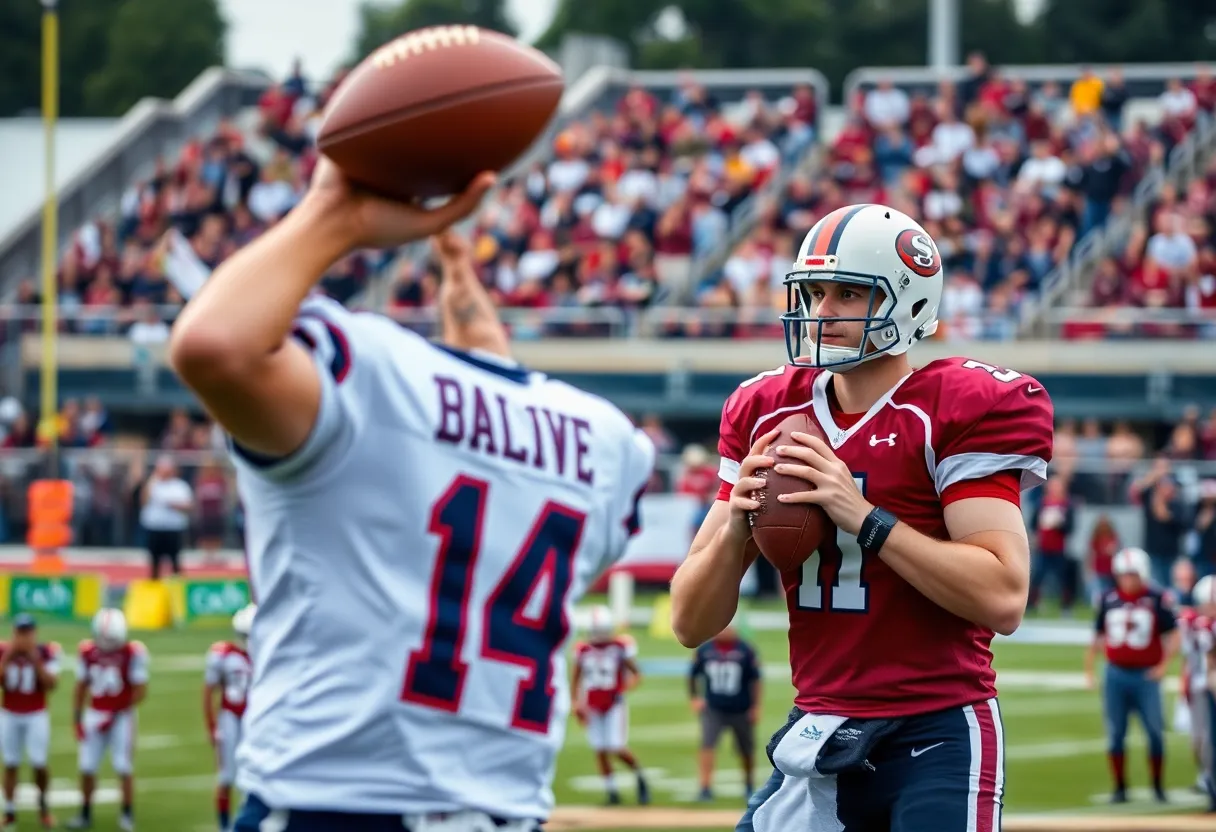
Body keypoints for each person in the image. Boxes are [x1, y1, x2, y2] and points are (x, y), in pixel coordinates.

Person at [168, 158, 656, 832]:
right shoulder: (599, 436)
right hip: (505, 813)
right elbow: (490, 399)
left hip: (337, 803)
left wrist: (337, 213)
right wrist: (458, 267)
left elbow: (215, 345)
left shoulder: (370, 370)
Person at [669, 204, 1054, 832]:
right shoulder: (766, 412)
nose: (821, 311)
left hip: (935, 730)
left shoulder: (954, 408)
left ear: (905, 302)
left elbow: (1003, 595)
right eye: (814, 292)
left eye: (847, 293)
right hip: (819, 724)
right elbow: (689, 621)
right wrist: (736, 526)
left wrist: (865, 517)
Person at [1083, 547, 1179, 804]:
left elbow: (1174, 633)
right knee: (1115, 734)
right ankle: (1120, 787)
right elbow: (1098, 633)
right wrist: (1090, 667)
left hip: (1146, 676)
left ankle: (1158, 785)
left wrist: (1163, 666)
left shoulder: (1157, 598)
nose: (1127, 579)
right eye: (1123, 574)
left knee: (1155, 732)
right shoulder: (1107, 598)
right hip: (1115, 674)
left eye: (1132, 574)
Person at [67, 609, 149, 831]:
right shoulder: (87, 651)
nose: (106, 643)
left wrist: (115, 712)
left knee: (123, 766)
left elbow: (140, 690)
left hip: (123, 715)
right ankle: (84, 814)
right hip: (94, 713)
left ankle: (127, 814)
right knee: (86, 766)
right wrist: (76, 718)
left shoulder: (133, 652)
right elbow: (80, 686)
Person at [571, 606, 648, 806]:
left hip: (614, 703)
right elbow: (576, 678)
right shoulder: (583, 650)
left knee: (615, 746)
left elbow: (637, 674)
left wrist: (622, 690)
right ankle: (612, 791)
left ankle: (639, 774)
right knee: (599, 748)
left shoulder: (620, 647)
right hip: (592, 703)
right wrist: (575, 702)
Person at [689, 617, 761, 803]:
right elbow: (692, 674)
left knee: (746, 749)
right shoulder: (705, 650)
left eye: (728, 628)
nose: (724, 632)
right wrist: (695, 697)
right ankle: (705, 787)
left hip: (740, 708)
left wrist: (755, 706)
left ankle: (748, 784)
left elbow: (755, 680)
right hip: (714, 708)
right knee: (707, 745)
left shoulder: (745, 650)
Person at [0, 614, 60, 830]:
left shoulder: (46, 651)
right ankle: (9, 811)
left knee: (39, 763)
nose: (23, 637)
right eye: (20, 632)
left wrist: (34, 659)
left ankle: (43, 807)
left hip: (36, 713)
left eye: (27, 632)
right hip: (9, 713)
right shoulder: (3, 650)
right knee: (10, 763)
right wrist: (8, 657)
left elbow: (51, 684)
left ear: (35, 633)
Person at [205, 604, 256, 832]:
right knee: (226, 775)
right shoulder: (223, 654)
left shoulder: (268, 654)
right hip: (230, 715)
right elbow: (209, 691)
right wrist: (211, 725)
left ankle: (250, 821)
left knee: (253, 774)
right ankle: (224, 825)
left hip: (254, 718)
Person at [1180, 575, 1216, 807]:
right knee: (1199, 742)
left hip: (1210, 685)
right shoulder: (1191, 621)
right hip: (1196, 687)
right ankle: (1207, 779)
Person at [139, 454, 194, 579]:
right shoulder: (152, 483)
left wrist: (172, 505)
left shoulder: (180, 485)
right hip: (154, 527)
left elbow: (188, 505)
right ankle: (154, 584)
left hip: (173, 528)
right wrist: (151, 480)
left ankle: (177, 583)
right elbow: (143, 501)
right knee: (154, 560)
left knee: (175, 559)